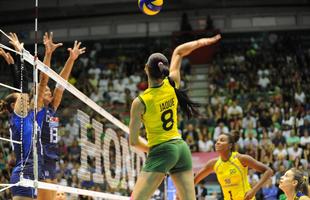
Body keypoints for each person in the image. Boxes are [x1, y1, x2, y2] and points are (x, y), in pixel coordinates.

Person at [129, 34, 221, 200]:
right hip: (181, 148)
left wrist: (154, 150)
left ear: (145, 69)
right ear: (163, 70)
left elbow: (134, 141)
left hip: (162, 149)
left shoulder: (140, 102)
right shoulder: (172, 83)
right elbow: (179, 52)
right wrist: (203, 42)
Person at [0, 32, 51, 200]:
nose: (27, 99)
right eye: (21, 100)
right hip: (24, 175)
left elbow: (21, 89)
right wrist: (19, 52)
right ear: (14, 106)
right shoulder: (18, 118)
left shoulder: (28, 115)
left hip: (35, 174)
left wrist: (14, 62)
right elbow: (21, 88)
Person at [37, 34, 85, 200]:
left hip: (51, 159)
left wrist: (71, 59)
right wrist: (48, 53)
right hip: (40, 158)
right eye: (45, 90)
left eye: (50, 91)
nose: (49, 91)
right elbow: (44, 79)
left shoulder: (51, 108)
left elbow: (61, 84)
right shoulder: (36, 110)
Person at [194, 130, 273, 200]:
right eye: (217, 140)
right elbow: (194, 181)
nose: (217, 142)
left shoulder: (241, 159)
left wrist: (253, 190)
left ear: (230, 145)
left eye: (222, 140)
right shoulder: (213, 164)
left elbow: (268, 171)